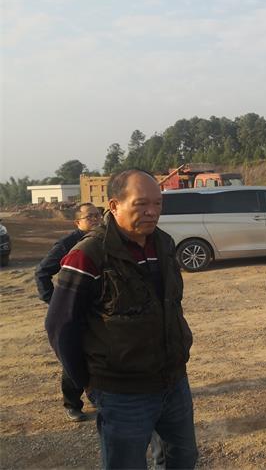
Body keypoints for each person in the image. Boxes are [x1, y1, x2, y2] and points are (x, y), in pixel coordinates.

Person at [45, 169, 198, 469]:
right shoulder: (88, 255)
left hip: (174, 380)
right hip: (121, 392)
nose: (152, 211)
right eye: (141, 204)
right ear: (114, 206)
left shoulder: (164, 244)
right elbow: (60, 326)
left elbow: (170, 305)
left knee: (183, 457)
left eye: (157, 203)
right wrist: (89, 382)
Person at [35, 202, 102, 421]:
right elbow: (42, 272)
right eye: (90, 217)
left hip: (97, 310)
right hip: (74, 311)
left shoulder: (103, 240)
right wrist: (56, 303)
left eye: (98, 215)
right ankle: (72, 403)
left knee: (99, 352)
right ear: (77, 222)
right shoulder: (69, 244)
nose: (96, 220)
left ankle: (99, 396)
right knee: (73, 354)